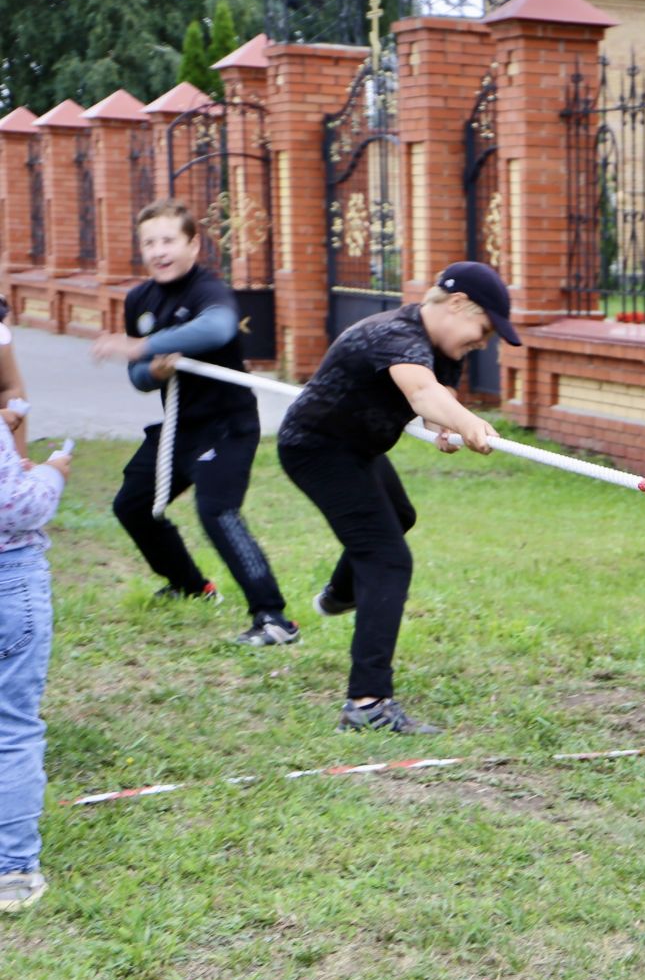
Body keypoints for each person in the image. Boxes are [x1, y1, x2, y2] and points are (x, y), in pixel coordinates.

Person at [275, 263, 514, 735]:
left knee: (398, 516)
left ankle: (340, 594)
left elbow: (433, 395)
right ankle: (368, 703)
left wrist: (445, 424)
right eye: (483, 328)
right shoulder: (393, 333)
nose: (483, 341)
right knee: (386, 559)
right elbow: (421, 390)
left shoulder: (443, 346)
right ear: (458, 304)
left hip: (356, 448)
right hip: (316, 448)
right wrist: (466, 421)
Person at [89, 200, 296, 645]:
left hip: (227, 425)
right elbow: (139, 379)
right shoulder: (139, 299)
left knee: (216, 509)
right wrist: (153, 368)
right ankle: (191, 586)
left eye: (168, 240)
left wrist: (143, 345)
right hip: (179, 427)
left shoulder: (209, 290)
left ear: (192, 244)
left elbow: (218, 329)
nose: (159, 251)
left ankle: (273, 618)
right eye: (149, 242)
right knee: (132, 506)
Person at [0, 306, 73, 911]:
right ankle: (13, 870)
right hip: (10, 582)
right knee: (13, 727)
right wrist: (49, 475)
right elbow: (15, 509)